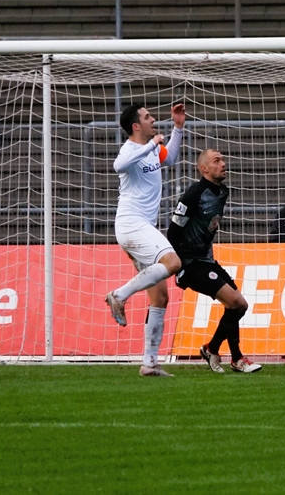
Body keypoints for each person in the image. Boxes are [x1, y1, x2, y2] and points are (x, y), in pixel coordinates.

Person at [104, 102, 187, 377]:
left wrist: (178, 127)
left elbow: (171, 158)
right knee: (173, 262)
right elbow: (118, 165)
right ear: (136, 126)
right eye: (147, 116)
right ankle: (119, 295)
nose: (153, 119)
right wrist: (151, 145)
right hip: (131, 224)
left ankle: (149, 363)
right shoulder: (131, 150)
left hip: (141, 226)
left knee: (160, 297)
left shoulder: (151, 149)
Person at [168, 149, 263, 373]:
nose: (223, 163)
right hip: (190, 263)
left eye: (223, 159)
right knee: (237, 303)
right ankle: (236, 358)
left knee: (238, 305)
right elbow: (173, 232)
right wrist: (178, 266)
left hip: (207, 260)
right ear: (204, 169)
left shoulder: (222, 191)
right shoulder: (193, 194)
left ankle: (212, 348)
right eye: (217, 161)